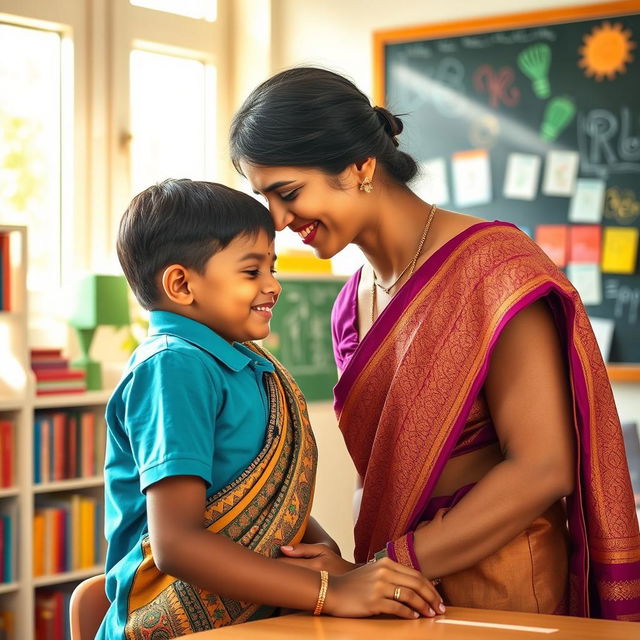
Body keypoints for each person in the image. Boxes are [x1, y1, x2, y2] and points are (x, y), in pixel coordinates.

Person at [229, 67, 640, 621]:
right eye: (266, 199)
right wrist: (361, 572)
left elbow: (544, 467)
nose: (278, 220)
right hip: (398, 591)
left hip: (503, 585)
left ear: (360, 166)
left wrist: (385, 563)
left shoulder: (492, 269)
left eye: (288, 193)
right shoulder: (351, 304)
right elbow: (376, 473)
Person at [96, 179, 444, 640]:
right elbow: (176, 544)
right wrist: (330, 592)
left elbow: (269, 501)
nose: (273, 286)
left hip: (267, 619)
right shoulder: (173, 366)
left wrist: (323, 550)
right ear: (181, 284)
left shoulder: (247, 362)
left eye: (271, 268)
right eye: (251, 272)